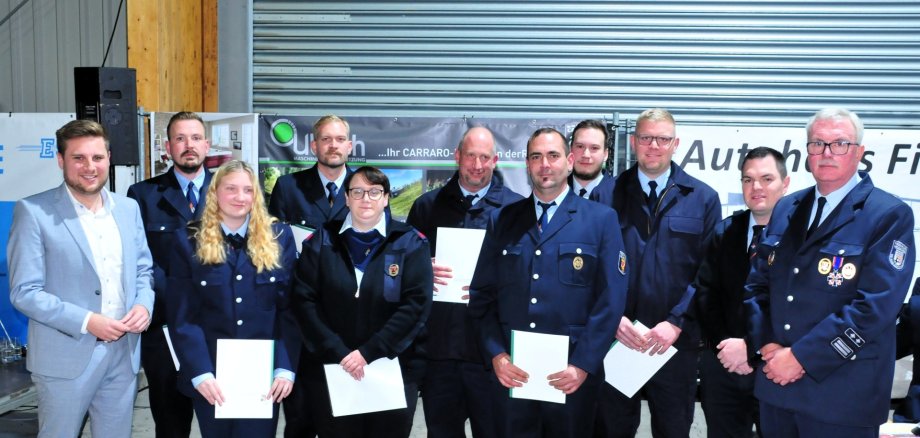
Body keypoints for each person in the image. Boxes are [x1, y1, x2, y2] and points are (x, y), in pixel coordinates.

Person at [745, 108, 915, 437]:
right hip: (777, 386)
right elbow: (757, 285)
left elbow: (875, 306)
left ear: (859, 152)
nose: (826, 153)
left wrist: (802, 358)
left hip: (842, 396)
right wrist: (766, 343)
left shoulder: (888, 214)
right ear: (807, 151)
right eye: (817, 143)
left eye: (839, 144)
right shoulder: (786, 207)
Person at [468, 128, 628, 437]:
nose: (545, 164)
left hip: (571, 378)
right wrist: (496, 355)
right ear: (527, 164)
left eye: (553, 156)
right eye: (536, 156)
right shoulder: (503, 220)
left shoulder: (601, 220)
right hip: (513, 376)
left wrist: (583, 364)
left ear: (569, 162)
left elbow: (611, 301)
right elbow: (482, 296)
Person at [7, 119, 155, 437]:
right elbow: (25, 292)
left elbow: (143, 270)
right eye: (79, 158)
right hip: (64, 358)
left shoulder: (128, 209)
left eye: (97, 157)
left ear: (109, 159)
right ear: (61, 160)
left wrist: (144, 305)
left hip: (124, 355)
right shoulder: (33, 212)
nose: (90, 167)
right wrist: (88, 321)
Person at [591, 108, 721, 438]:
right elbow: (593, 267)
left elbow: (708, 272)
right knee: (611, 430)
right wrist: (613, 319)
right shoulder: (605, 195)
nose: (654, 146)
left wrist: (676, 322)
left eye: (662, 139)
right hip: (618, 339)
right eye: (646, 138)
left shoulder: (703, 198)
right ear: (633, 142)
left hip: (674, 345)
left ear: (675, 144)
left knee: (673, 430)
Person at [291, 166, 433, 438]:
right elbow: (304, 302)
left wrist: (368, 352)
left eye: (374, 192)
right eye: (357, 192)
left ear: (386, 198)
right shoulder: (321, 240)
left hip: (391, 369)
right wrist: (339, 352)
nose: (365, 198)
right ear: (346, 198)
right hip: (334, 368)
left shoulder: (410, 243)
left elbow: (415, 305)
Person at [166, 160, 298, 437]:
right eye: (231, 189)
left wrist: (284, 367)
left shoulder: (279, 237)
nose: (240, 197)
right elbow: (182, 316)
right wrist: (200, 372)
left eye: (248, 190)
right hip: (211, 375)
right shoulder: (188, 240)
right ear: (215, 193)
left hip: (262, 374)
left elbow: (288, 310)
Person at [407, 126, 523, 437]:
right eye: (470, 156)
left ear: (495, 160)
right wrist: (421, 268)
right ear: (457, 156)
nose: (477, 165)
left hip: (492, 355)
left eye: (485, 157)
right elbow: (404, 272)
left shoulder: (516, 210)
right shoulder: (426, 206)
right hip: (439, 352)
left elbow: (525, 277)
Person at [691, 147, 789, 437]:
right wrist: (727, 347)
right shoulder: (724, 232)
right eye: (748, 180)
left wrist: (751, 348)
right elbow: (706, 294)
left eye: (766, 179)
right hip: (724, 364)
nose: (756, 187)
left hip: (777, 365)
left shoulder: (802, 237)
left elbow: (799, 305)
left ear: (785, 184)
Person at [267, 114, 355, 437]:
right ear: (313, 145)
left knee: (344, 420)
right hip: (301, 319)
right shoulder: (288, 187)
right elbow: (273, 249)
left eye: (339, 139)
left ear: (350, 146)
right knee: (300, 419)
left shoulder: (366, 187)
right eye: (326, 139)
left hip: (349, 320)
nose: (333, 145)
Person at [127, 111, 211, 437]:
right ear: (167, 147)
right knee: (171, 424)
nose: (188, 145)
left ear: (206, 145)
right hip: (164, 329)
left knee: (224, 421)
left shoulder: (231, 190)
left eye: (195, 138)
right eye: (180, 138)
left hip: (220, 326)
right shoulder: (143, 195)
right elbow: (140, 261)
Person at [568, 119, 610, 198]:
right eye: (580, 146)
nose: (586, 155)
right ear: (570, 150)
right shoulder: (551, 192)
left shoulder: (622, 195)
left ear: (605, 154)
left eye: (594, 148)